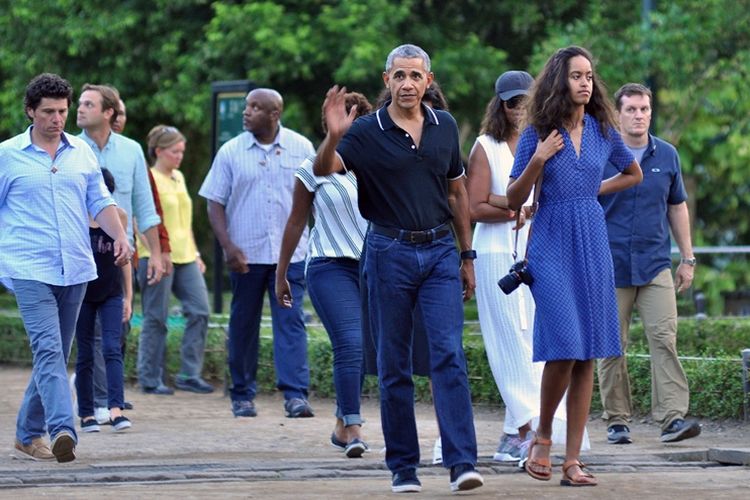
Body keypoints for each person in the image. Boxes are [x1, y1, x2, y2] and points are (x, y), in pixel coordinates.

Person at [315, 44, 484, 494]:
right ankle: (403, 468)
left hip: (440, 253)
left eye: (415, 76)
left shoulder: (444, 126)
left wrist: (467, 256)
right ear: (387, 79)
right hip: (389, 252)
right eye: (399, 76)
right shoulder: (367, 131)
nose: (407, 84)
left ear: (428, 81)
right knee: (394, 364)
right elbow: (324, 167)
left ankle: (461, 462)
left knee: (449, 355)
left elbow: (457, 194)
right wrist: (334, 135)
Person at [506, 46, 643, 487]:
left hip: (591, 238)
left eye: (589, 75)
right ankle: (542, 435)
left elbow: (633, 172)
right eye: (576, 76)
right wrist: (539, 159)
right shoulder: (538, 131)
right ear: (559, 82)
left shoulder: (604, 128)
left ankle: (572, 461)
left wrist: (593, 189)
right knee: (565, 342)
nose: (585, 82)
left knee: (588, 351)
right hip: (548, 238)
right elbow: (512, 197)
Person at [1, 73, 131, 463]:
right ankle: (62, 429)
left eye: (62, 111)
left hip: (75, 266)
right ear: (30, 111)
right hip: (28, 266)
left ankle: (27, 434)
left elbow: (100, 201)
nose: (57, 119)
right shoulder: (7, 155)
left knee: (56, 352)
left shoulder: (82, 153)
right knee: (48, 349)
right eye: (48, 112)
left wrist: (121, 236)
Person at [468, 70, 582, 462]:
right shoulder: (487, 145)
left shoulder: (547, 140)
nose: (519, 109)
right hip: (498, 253)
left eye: (525, 101)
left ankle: (519, 432)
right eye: (512, 102)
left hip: (539, 252)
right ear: (500, 105)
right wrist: (511, 208)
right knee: (507, 343)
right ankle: (526, 430)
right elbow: (475, 206)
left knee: (536, 341)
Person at [200, 88, 315, 418]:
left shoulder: (302, 147)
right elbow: (215, 202)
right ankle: (242, 395)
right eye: (247, 105)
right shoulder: (231, 152)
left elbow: (314, 197)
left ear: (274, 114)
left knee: (291, 322)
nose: (245, 112)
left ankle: (295, 395)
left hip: (290, 257)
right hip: (246, 256)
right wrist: (228, 246)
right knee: (243, 325)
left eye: (255, 107)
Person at [598, 83, 701, 445]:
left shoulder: (667, 154)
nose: (639, 116)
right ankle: (617, 420)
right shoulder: (601, 153)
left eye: (644, 109)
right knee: (612, 344)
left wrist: (687, 258)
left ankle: (673, 418)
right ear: (618, 112)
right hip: (609, 264)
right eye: (631, 110)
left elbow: (677, 206)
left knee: (664, 339)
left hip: (655, 262)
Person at [276, 92, 372, 458]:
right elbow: (296, 221)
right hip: (329, 267)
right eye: (342, 122)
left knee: (362, 348)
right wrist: (281, 273)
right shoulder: (311, 167)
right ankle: (353, 425)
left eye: (357, 122)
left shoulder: (375, 167)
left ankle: (340, 424)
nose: (350, 129)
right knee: (349, 341)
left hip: (372, 267)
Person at [76, 84, 166, 398]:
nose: (79, 108)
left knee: (118, 330)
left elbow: (145, 206)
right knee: (92, 335)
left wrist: (155, 253)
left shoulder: (131, 151)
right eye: (80, 103)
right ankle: (102, 401)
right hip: (80, 255)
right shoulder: (69, 149)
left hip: (120, 256)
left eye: (89, 103)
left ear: (108, 112)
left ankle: (108, 394)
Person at [136, 125, 212, 394]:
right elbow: (139, 221)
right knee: (156, 317)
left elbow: (185, 220)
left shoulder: (178, 176)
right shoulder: (148, 178)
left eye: (182, 151)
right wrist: (155, 253)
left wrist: (196, 252)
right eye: (174, 151)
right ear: (158, 151)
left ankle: (189, 374)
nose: (179, 156)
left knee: (200, 310)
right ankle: (150, 378)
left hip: (185, 256)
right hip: (156, 256)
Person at [75, 168, 133, 433]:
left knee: (112, 348)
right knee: (85, 353)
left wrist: (129, 297)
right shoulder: (75, 216)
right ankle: (86, 413)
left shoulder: (118, 217)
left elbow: (125, 260)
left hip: (111, 293)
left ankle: (116, 410)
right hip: (82, 294)